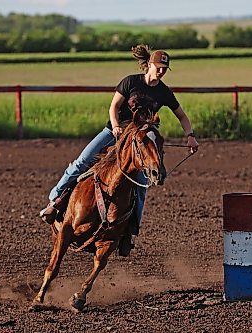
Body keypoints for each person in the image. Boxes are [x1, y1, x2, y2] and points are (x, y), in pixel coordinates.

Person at [40, 44, 199, 255]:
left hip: (136, 139)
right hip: (113, 133)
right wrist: (115, 125)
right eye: (158, 66)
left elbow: (182, 115)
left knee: (141, 184)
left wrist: (190, 136)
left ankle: (130, 231)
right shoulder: (130, 82)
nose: (161, 71)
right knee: (82, 162)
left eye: (164, 69)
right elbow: (113, 106)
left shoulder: (164, 92)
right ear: (149, 65)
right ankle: (54, 201)